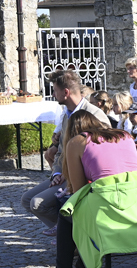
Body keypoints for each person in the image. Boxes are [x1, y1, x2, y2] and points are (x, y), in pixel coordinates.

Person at [41, 110, 137, 268]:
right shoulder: (125, 136)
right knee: (84, 213)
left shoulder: (77, 142)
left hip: (108, 211)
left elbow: (79, 190)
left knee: (67, 213)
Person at [21, 69, 110, 233]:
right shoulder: (66, 115)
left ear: (66, 92)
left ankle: (75, 234)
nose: (53, 95)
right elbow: (60, 151)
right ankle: (70, 232)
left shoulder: (95, 115)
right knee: (27, 199)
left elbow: (104, 153)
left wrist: (69, 173)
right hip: (65, 175)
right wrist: (57, 173)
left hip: (86, 178)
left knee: (37, 203)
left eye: (55, 91)